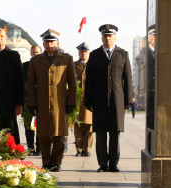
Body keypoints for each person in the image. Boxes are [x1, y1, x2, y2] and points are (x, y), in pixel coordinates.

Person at [85, 24, 133, 172]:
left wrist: (128, 100)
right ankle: (102, 164)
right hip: (99, 101)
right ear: (102, 38)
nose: (108, 38)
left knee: (115, 133)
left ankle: (113, 164)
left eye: (110, 36)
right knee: (100, 134)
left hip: (117, 101)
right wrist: (88, 100)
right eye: (105, 36)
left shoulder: (123, 54)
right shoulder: (94, 55)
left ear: (115, 37)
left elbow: (128, 79)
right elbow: (89, 80)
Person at [26, 29, 77, 171]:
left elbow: (72, 83)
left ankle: (57, 162)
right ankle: (46, 163)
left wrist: (71, 102)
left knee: (59, 135)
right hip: (42, 103)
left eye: (52, 42)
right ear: (43, 44)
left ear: (57, 43)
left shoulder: (66, 59)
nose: (49, 45)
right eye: (47, 42)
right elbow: (31, 84)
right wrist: (31, 103)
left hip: (60, 104)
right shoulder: (35, 60)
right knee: (43, 135)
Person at [22, 45, 43, 156]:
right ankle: (30, 148)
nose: (35, 54)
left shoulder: (45, 66)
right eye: (34, 52)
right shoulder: (24, 66)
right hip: (27, 101)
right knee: (28, 126)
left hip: (40, 101)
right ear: (30, 54)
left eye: (38, 52)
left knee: (39, 126)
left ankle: (39, 148)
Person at [73, 42, 93, 157]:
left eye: (85, 51)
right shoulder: (74, 66)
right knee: (78, 126)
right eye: (81, 51)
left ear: (89, 53)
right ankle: (79, 149)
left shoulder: (93, 65)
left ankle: (87, 149)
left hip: (89, 101)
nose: (83, 53)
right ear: (79, 53)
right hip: (77, 102)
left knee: (89, 127)